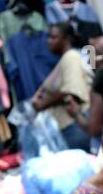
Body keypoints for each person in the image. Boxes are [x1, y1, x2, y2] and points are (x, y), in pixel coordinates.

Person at [32, 21, 93, 151]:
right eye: (48, 37)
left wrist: (43, 104)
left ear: (67, 39)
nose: (49, 41)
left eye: (54, 37)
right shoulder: (64, 59)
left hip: (73, 126)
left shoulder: (71, 58)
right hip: (66, 127)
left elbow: (70, 91)